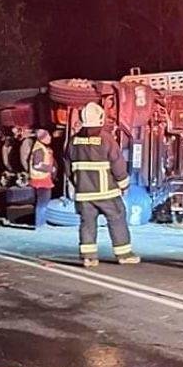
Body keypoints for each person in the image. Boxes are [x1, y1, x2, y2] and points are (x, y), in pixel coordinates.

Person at [66, 102, 140, 267]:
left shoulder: (74, 141)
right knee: (117, 219)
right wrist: (124, 184)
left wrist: (78, 184)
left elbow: (68, 167)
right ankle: (124, 254)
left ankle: (88, 257)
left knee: (87, 223)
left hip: (84, 192)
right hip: (106, 192)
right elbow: (117, 163)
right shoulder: (106, 139)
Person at [29, 129, 56, 229]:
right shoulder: (39, 149)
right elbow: (37, 165)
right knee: (42, 203)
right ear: (43, 138)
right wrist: (50, 169)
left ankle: (42, 222)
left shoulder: (42, 147)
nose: (50, 138)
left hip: (42, 179)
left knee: (43, 203)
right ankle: (40, 224)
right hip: (41, 180)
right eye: (48, 136)